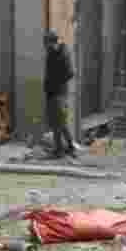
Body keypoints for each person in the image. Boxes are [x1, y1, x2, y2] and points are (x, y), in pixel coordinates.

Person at [44, 30, 76, 158]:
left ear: (54, 41)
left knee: (60, 122)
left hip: (59, 92)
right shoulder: (51, 54)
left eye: (47, 43)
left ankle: (66, 148)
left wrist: (56, 82)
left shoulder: (63, 54)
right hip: (51, 92)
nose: (46, 46)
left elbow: (70, 73)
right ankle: (63, 148)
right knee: (56, 123)